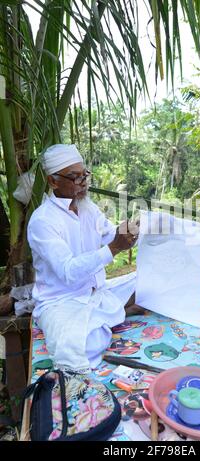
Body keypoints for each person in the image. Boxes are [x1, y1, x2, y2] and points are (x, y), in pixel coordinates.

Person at [27, 144, 140, 373]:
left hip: (95, 292)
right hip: (61, 302)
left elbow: (110, 233)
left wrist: (132, 232)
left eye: (84, 175)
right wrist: (114, 248)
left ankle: (108, 316)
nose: (82, 182)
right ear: (53, 181)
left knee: (147, 279)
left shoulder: (87, 209)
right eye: (74, 177)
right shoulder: (42, 221)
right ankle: (113, 316)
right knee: (79, 350)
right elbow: (68, 271)